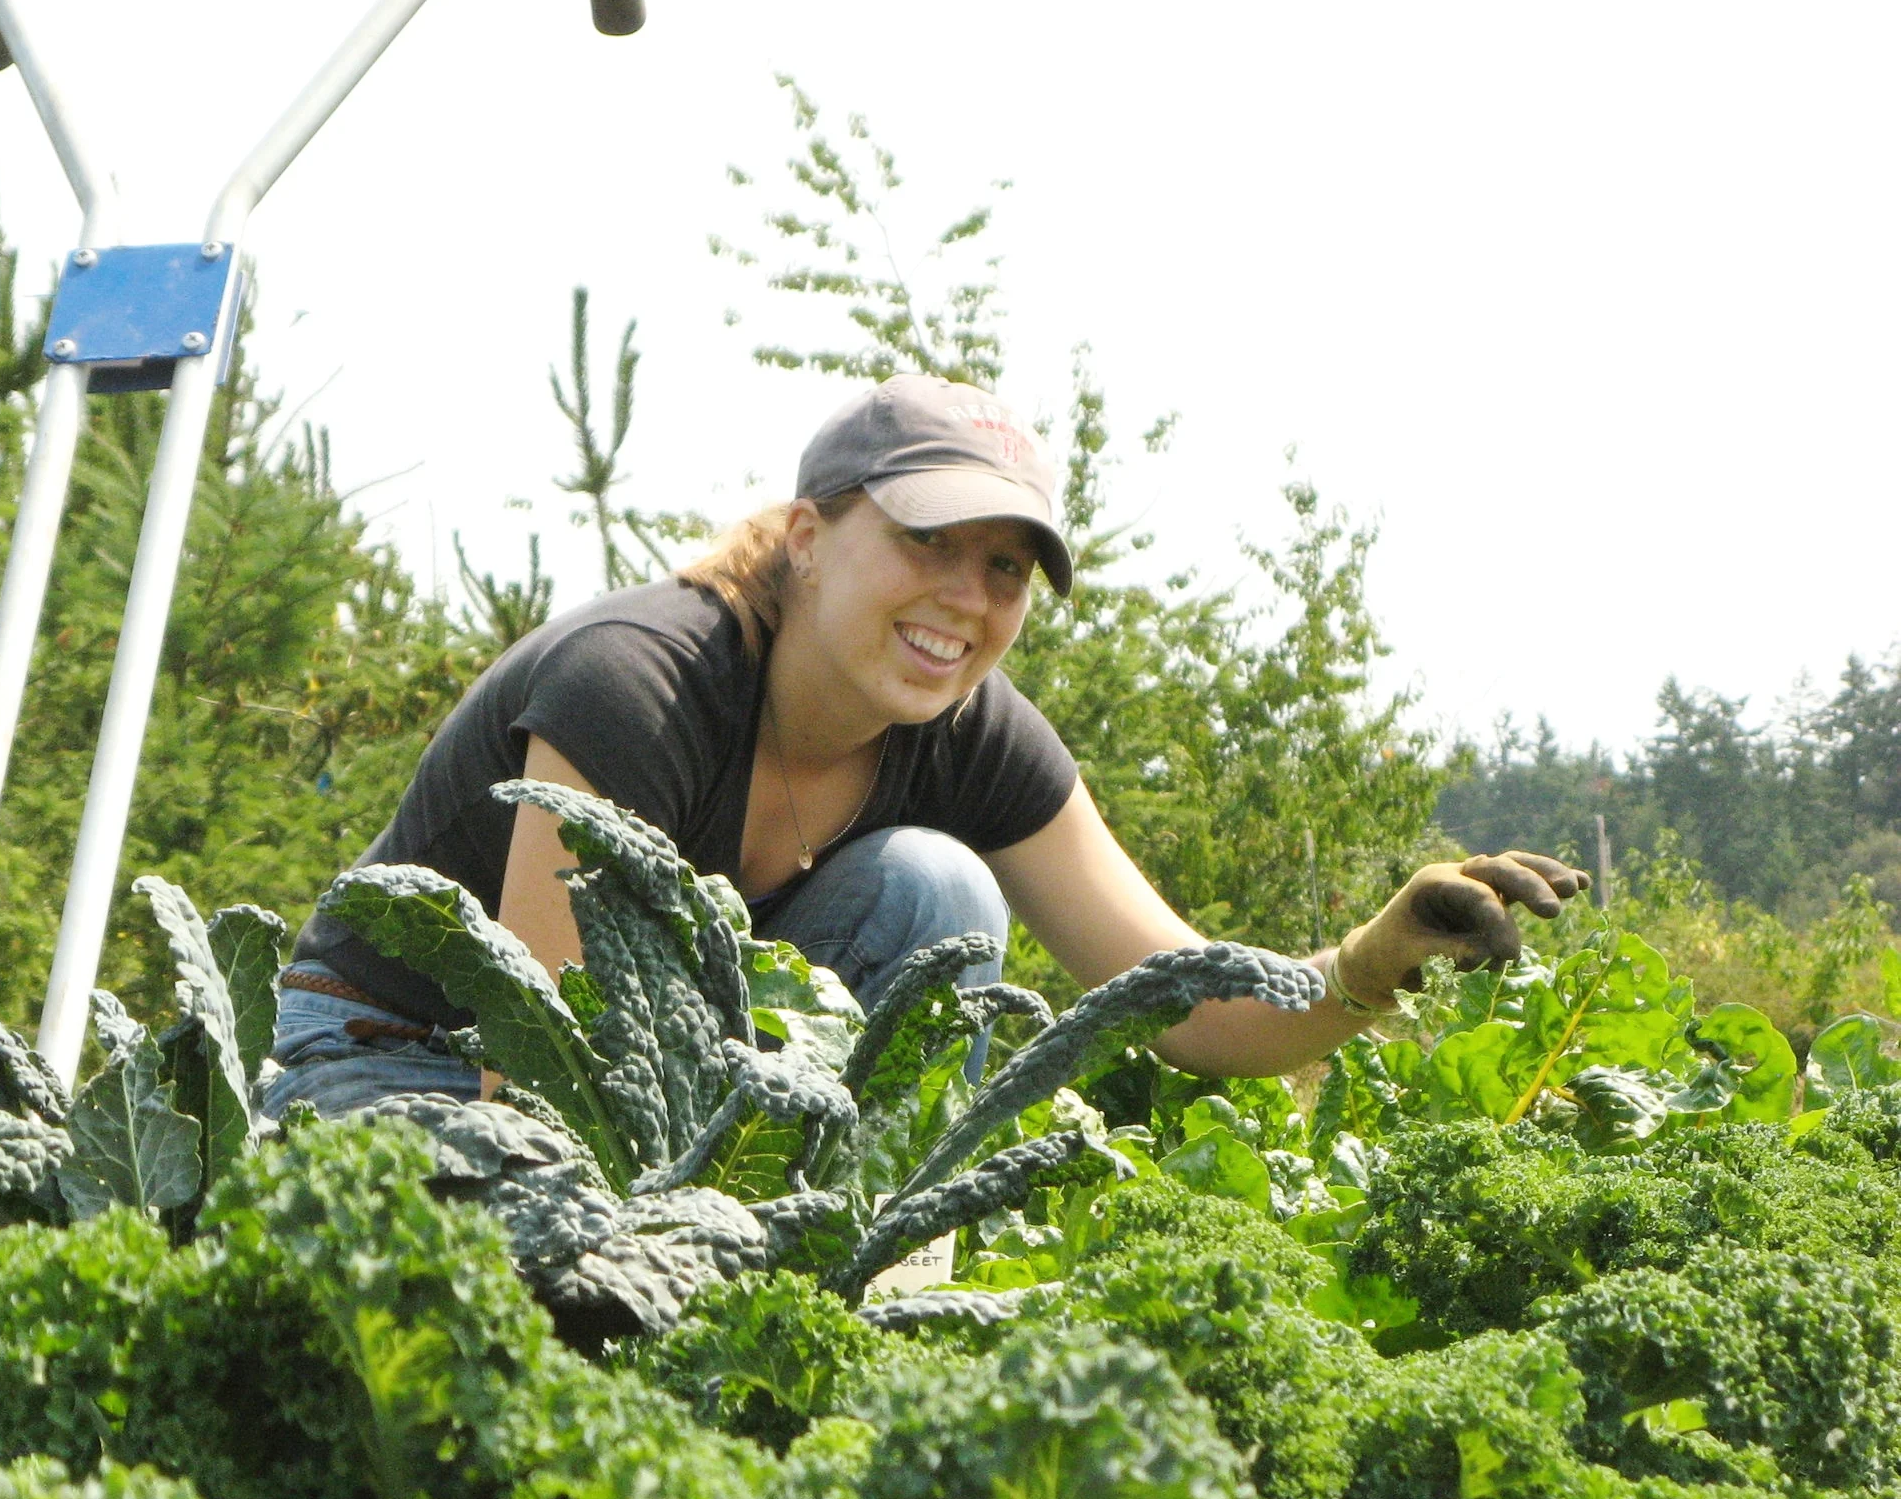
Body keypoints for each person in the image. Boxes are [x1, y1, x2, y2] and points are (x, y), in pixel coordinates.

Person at [265, 375, 1584, 1118]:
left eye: (1005, 566)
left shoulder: (970, 734)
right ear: (808, 537)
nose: (966, 597)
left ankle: (871, 1286)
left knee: (937, 893)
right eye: (928, 541)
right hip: (397, 1042)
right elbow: (537, 1073)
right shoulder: (640, 684)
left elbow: (1185, 1001)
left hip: (635, 1089)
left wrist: (1367, 963)